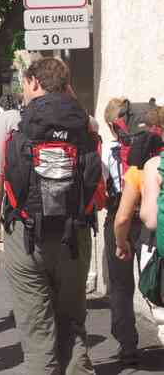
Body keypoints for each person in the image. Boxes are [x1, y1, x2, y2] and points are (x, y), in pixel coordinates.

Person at [0, 58, 102, 375]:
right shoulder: (85, 123)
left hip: (26, 236)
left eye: (25, 83)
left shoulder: (10, 122)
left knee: (37, 334)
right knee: (73, 324)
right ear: (65, 86)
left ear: (33, 82)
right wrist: (65, 90)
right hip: (74, 236)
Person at [107, 102, 164, 365]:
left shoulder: (116, 153)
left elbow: (115, 209)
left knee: (121, 286)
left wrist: (119, 241)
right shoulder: (153, 154)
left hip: (127, 220)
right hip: (151, 225)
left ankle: (127, 344)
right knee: (152, 282)